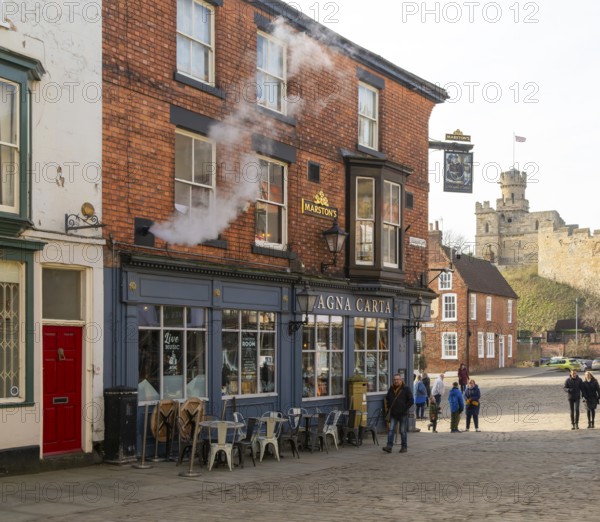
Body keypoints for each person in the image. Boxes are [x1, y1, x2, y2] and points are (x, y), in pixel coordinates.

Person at [383, 374, 414, 454]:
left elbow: (411, 401)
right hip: (393, 413)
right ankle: (389, 447)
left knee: (403, 431)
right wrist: (390, 407)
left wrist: (404, 408)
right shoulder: (391, 388)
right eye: (395, 379)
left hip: (403, 413)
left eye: (398, 379)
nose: (396, 381)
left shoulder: (406, 388)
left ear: (401, 380)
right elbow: (387, 398)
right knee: (391, 430)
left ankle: (404, 447)